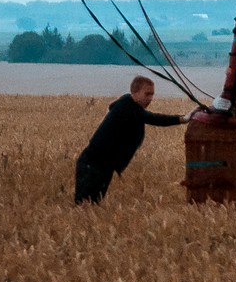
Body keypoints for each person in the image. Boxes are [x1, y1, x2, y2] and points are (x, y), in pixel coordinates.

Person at [74, 75, 198, 204]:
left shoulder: (129, 106)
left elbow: (122, 109)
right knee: (84, 206)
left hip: (105, 167)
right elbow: (153, 118)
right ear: (135, 93)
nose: (150, 98)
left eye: (152, 94)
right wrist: (184, 118)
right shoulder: (127, 107)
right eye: (147, 94)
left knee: (93, 205)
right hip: (92, 165)